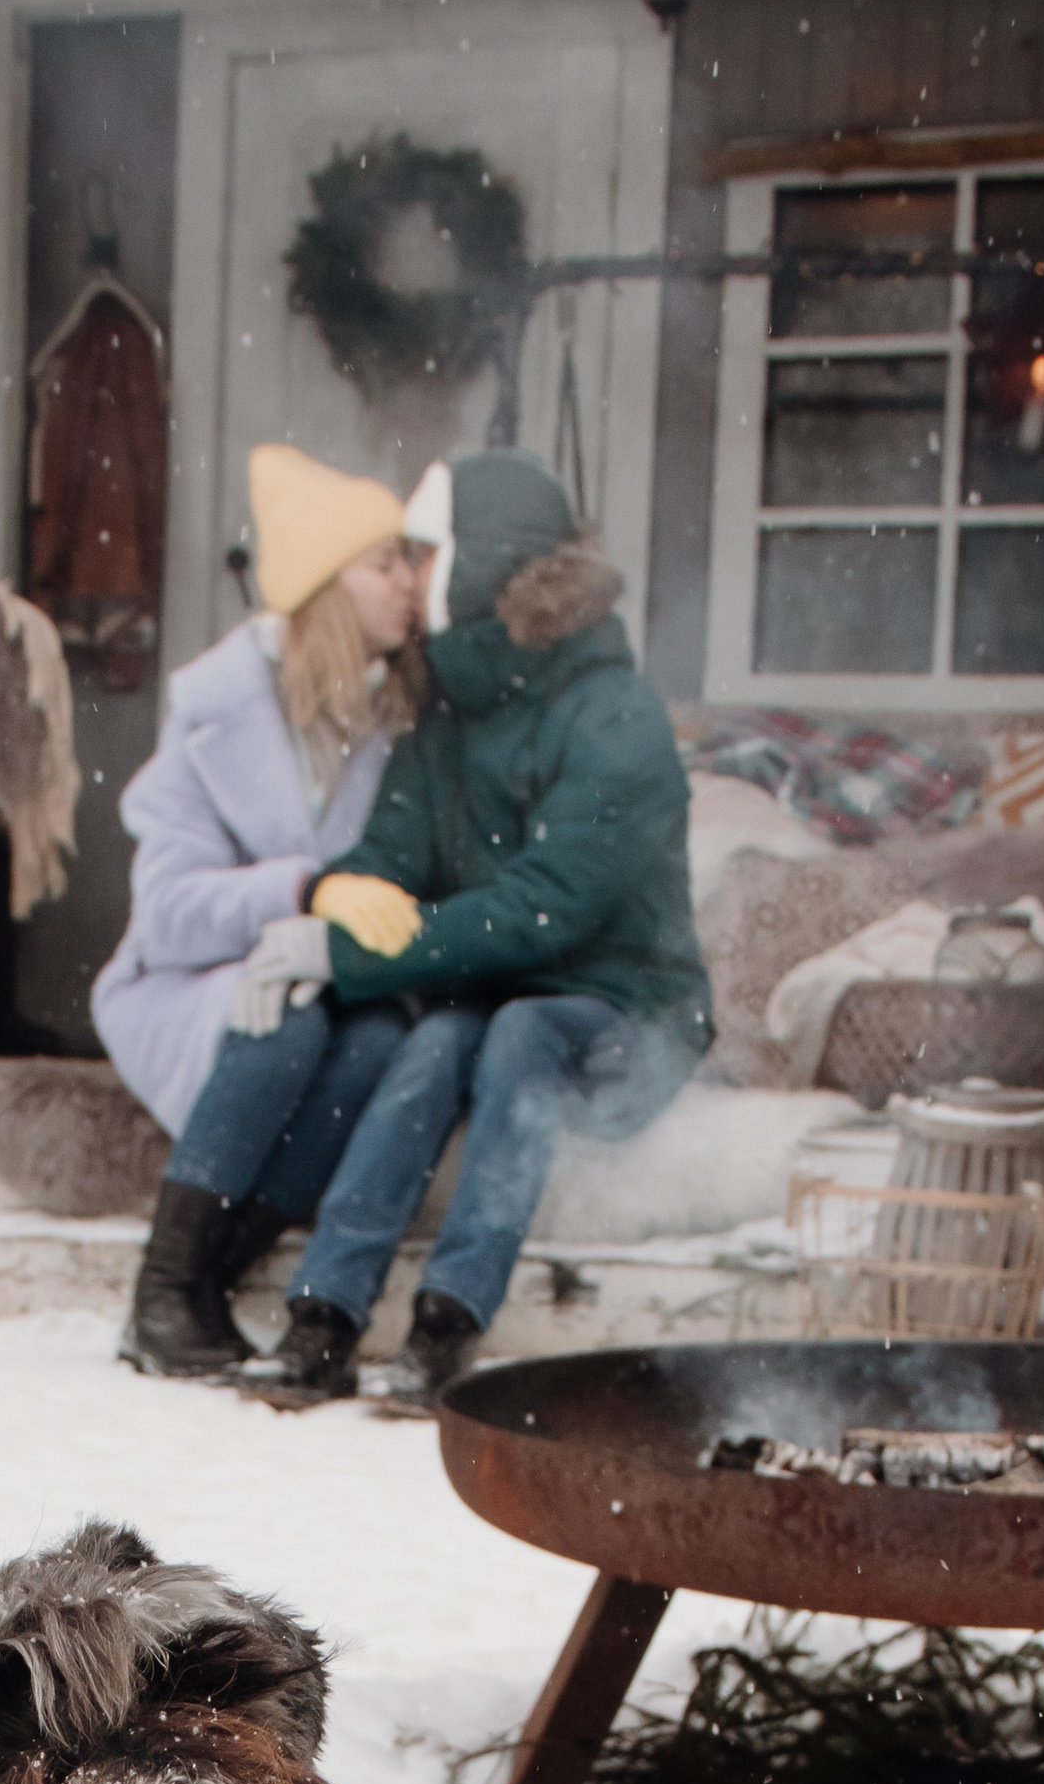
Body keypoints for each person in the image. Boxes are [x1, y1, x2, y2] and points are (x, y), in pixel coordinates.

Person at [245, 450, 713, 1415]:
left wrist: (352, 955)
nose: (412, 579)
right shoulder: (448, 714)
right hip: (501, 1002)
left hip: (631, 1011)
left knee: (518, 1031)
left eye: (426, 555)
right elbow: (391, 852)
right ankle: (325, 1316)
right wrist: (336, 901)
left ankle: (447, 1319)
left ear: (485, 562)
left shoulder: (617, 716)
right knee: (435, 1041)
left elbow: (549, 906)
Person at [97, 445, 426, 1379]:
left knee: (375, 1043)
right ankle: (161, 1291)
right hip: (189, 982)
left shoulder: (400, 715)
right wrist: (301, 894)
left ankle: (211, 1277)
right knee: (283, 1016)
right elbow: (168, 912)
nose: (410, 583)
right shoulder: (217, 716)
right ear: (326, 587)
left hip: (335, 979)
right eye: (385, 563)